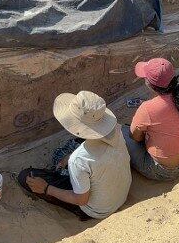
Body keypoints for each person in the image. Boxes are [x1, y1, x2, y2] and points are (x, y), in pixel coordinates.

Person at [19, 91, 131, 220]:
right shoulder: (116, 129)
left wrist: (46, 188)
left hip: (97, 210)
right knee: (79, 144)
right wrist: (69, 158)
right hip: (120, 195)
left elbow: (81, 200)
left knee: (25, 177)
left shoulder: (78, 160)